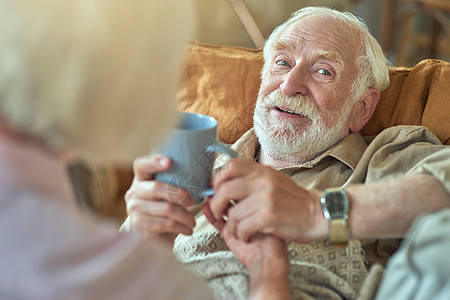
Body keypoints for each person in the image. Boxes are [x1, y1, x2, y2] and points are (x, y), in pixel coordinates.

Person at [122, 6, 450, 299]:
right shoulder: (193, 163)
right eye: (282, 63)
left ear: (361, 109)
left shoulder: (385, 155)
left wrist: (316, 211)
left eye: (324, 71)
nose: (290, 85)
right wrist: (142, 242)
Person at [0, 0, 217, 299]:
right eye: (282, 62)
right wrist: (268, 268)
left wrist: (140, 243)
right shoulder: (116, 273)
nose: (288, 84)